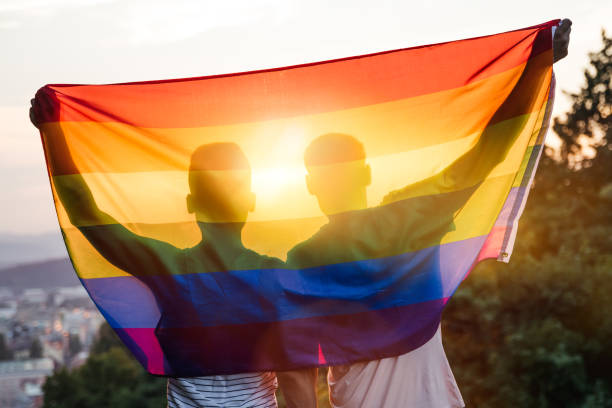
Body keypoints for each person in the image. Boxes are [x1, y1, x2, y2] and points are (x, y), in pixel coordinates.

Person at [279, 18, 572, 408]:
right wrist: (536, 66)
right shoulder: (407, 215)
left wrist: (536, 67)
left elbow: (296, 371)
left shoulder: (305, 256)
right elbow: (485, 153)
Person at [30, 98, 281, 408]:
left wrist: (53, 130)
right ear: (251, 201)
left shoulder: (170, 268)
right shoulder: (275, 275)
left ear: (191, 203)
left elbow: (84, 211)